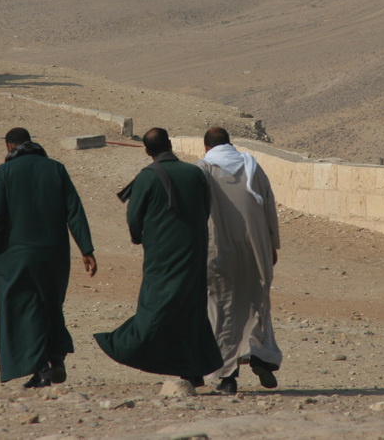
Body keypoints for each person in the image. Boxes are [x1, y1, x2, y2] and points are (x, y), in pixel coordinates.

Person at [94, 127, 223, 387]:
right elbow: (205, 209)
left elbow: (133, 218)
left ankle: (124, 345)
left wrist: (139, 238)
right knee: (191, 310)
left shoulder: (147, 177)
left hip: (161, 256)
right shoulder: (195, 173)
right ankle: (193, 370)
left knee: (156, 306)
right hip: (193, 253)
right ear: (171, 144)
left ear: (147, 150)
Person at [0, 127, 97, 389]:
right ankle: (54, 358)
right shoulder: (55, 168)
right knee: (50, 305)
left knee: (22, 309)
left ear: (10, 147)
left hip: (16, 256)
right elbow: (74, 209)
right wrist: (86, 249)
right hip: (54, 255)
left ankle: (41, 367)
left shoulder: (4, 172)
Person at [196, 127, 283, 394]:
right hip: (256, 247)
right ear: (229, 144)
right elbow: (269, 205)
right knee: (257, 303)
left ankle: (227, 376)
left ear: (207, 148)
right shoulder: (251, 165)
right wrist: (272, 245)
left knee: (222, 309)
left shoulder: (203, 169)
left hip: (219, 250)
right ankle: (261, 356)